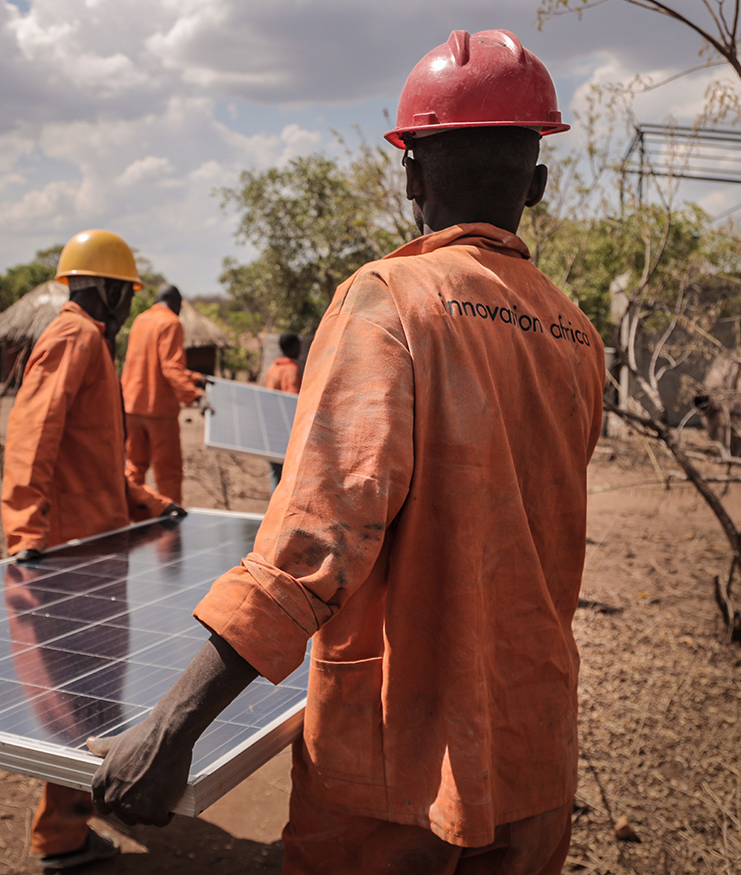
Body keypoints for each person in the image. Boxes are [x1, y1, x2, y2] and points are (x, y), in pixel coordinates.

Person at [88, 29, 605, 875]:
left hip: (396, 767)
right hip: (535, 753)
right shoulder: (577, 335)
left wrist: (172, 724)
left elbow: (316, 541)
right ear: (538, 184)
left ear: (410, 173)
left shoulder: (390, 300)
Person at [0, 227, 184, 871]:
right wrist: (25, 533)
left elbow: (100, 460)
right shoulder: (75, 337)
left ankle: (80, 807)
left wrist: (149, 503)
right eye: (126, 294)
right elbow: (33, 433)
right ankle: (61, 837)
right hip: (69, 559)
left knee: (97, 693)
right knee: (74, 699)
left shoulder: (92, 344)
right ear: (109, 291)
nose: (128, 306)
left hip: (97, 554)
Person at [120, 283, 206, 505]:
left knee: (135, 466)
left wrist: (194, 377)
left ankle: (130, 513)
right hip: (158, 411)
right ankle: (171, 522)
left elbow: (152, 362)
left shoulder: (141, 320)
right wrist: (195, 395)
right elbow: (170, 367)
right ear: (177, 304)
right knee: (167, 473)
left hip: (131, 405)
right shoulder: (171, 322)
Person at [262, 331, 302, 490]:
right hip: (285, 429)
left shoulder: (273, 367)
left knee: (275, 473)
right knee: (285, 477)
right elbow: (291, 401)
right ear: (292, 347)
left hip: (271, 426)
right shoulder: (291, 370)